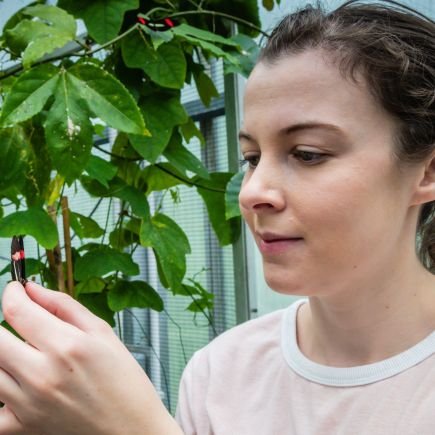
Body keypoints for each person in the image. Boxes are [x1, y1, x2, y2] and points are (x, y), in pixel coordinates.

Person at [0, 0, 434, 433]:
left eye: (308, 154)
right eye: (251, 157)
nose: (252, 192)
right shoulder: (223, 370)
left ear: (427, 171)